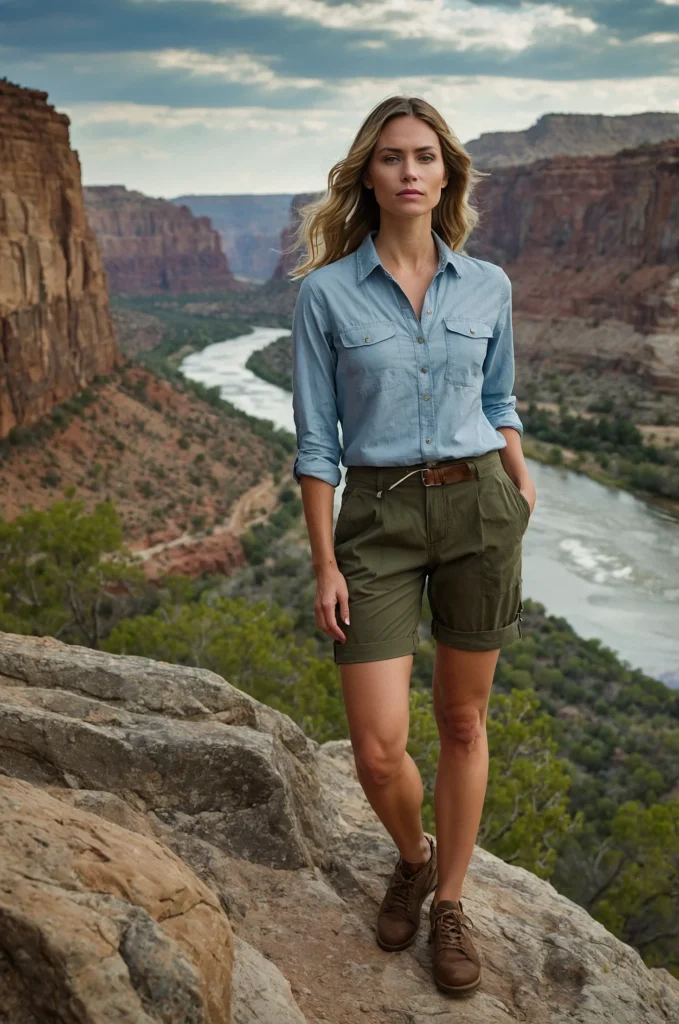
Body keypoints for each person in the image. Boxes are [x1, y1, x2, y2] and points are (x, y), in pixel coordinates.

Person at [288, 94, 536, 997]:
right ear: (369, 173)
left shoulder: (490, 286)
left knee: (463, 722)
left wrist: (517, 468)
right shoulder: (323, 295)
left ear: (445, 173)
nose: (408, 172)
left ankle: (450, 904)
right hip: (377, 521)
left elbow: (500, 394)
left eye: (424, 156)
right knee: (378, 746)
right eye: (391, 157)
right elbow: (318, 442)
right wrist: (323, 562)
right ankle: (412, 853)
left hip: (478, 507)